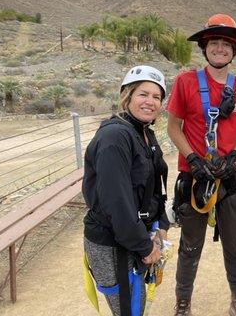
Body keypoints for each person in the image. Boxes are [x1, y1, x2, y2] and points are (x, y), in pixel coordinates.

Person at [167, 13, 236, 316]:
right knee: (190, 246)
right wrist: (191, 157)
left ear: (234, 50)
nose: (220, 48)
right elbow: (173, 126)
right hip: (195, 177)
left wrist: (235, 156)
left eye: (226, 44)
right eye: (214, 42)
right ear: (205, 47)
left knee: (234, 245)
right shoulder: (186, 82)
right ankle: (182, 302)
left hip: (229, 179)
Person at [82, 65, 170, 316]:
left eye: (156, 97)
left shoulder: (144, 134)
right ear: (127, 96)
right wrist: (145, 246)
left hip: (133, 235)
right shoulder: (115, 137)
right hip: (113, 242)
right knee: (129, 309)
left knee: (135, 306)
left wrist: (160, 222)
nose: (150, 102)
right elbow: (116, 203)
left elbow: (152, 186)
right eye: (143, 94)